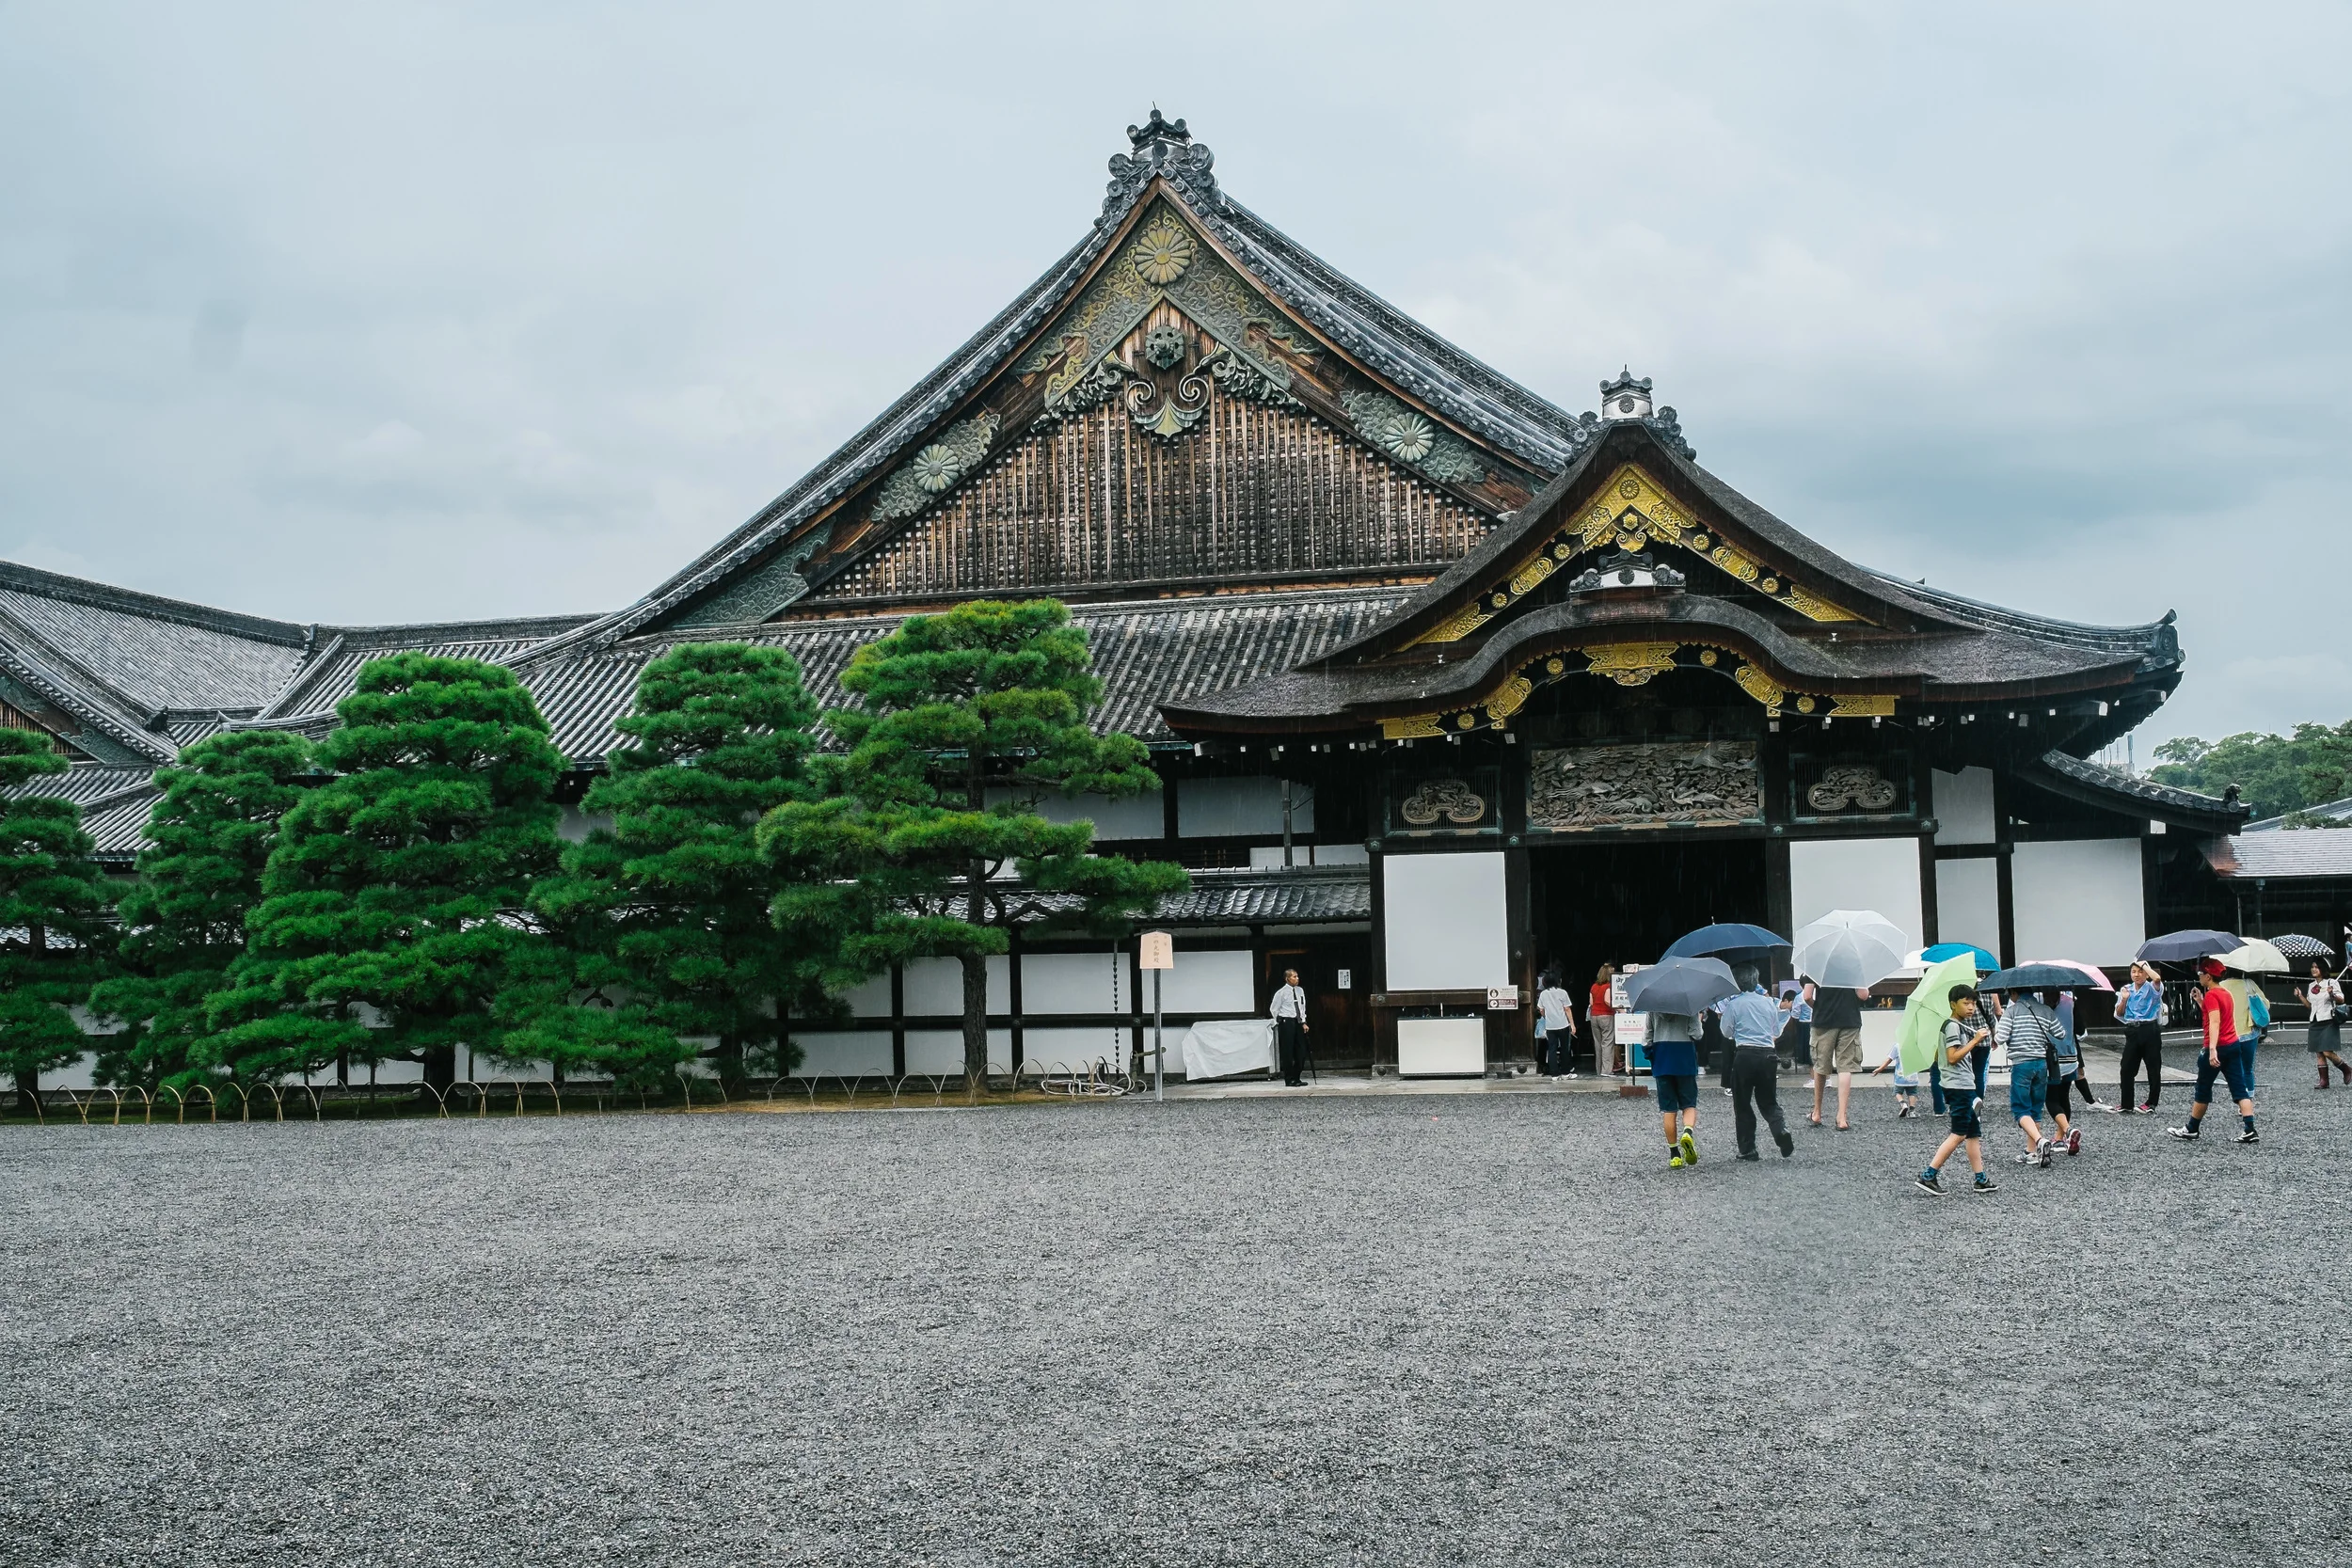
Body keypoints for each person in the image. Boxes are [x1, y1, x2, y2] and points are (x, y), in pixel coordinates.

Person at [1915, 985, 1997, 1195]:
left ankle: (1980, 1179)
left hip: (1964, 1085)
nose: (1971, 1008)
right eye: (1966, 1003)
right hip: (1958, 1086)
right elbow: (1952, 1057)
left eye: (1973, 1003)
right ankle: (1928, 1175)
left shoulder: (1957, 1025)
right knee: (1959, 1133)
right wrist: (1975, 1040)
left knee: (1973, 1133)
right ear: (1953, 1004)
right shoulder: (1952, 1026)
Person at [2170, 960, 2258, 1144]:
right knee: (2240, 1088)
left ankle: (2192, 1128)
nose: (2199, 976)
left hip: (2217, 1046)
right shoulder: (2225, 993)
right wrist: (2200, 1001)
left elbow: (2215, 1022)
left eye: (2200, 973)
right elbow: (2220, 1016)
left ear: (2208, 976)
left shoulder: (2212, 995)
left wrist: (2211, 1050)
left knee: (2203, 1088)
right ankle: (2250, 1129)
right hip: (2233, 1044)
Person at [1714, 964, 1795, 1161]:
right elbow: (1776, 1031)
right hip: (1768, 1056)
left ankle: (1748, 1149)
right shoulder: (1768, 1003)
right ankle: (1780, 1129)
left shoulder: (1734, 1005)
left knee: (1742, 1103)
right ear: (1756, 981)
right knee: (1768, 1100)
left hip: (1744, 1055)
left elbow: (1726, 1032)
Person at [1994, 988, 2060, 1167]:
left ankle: (2039, 1141)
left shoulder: (2012, 1011)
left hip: (2022, 1064)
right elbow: (2060, 1033)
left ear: (2014, 993)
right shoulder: (2045, 1010)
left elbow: (2001, 1037)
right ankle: (2031, 1152)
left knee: (2021, 1108)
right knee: (2036, 1108)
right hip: (2041, 1064)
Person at [1808, 982, 1870, 1132]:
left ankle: (1817, 1113)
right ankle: (1842, 1117)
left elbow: (1807, 996)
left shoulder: (1816, 968)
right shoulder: (1854, 968)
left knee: (1821, 1065)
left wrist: (1820, 1007)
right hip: (1849, 1020)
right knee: (1845, 1067)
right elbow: (1863, 995)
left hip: (1823, 1021)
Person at [1650, 1010, 1701, 1167]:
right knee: (1689, 1104)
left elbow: (1646, 1037)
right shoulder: (1690, 1007)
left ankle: (1675, 1155)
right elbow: (1697, 1034)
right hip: (1685, 1058)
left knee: (1669, 1109)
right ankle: (1687, 1132)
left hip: (1662, 1059)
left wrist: (1651, 1055)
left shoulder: (1653, 1008)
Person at [2113, 962, 2166, 1113]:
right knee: (2126, 1068)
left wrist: (2146, 966)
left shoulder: (2152, 987)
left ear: (2147, 974)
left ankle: (2151, 1103)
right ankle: (2126, 1104)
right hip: (2132, 1029)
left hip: (2150, 1028)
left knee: (2153, 1067)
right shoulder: (2126, 989)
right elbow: (2119, 1013)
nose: (2136, 974)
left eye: (2140, 971)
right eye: (2134, 971)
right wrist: (2124, 999)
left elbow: (2157, 979)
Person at [2042, 990, 2085, 1155]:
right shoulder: (2070, 1001)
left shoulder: (2038, 1004)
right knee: (2064, 1096)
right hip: (2070, 1055)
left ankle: (2067, 1131)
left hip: (2050, 1058)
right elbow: (2080, 1029)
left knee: (2051, 1099)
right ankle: (2059, 1137)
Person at [2297, 960, 2350, 1087]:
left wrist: (2332, 993)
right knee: (2319, 1052)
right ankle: (2324, 1081)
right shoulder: (2311, 985)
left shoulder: (2331, 982)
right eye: (2312, 967)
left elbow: (2341, 999)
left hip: (2328, 1019)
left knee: (2327, 1051)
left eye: (2317, 967)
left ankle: (2346, 1069)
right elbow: (2310, 1005)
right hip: (2315, 1020)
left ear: (2323, 969)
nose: (2314, 969)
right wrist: (2300, 996)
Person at [1270, 968, 1311, 1087]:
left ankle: (1297, 1077)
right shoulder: (1281, 993)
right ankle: (1289, 1079)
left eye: (1297, 976)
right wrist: (1279, 1021)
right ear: (1287, 979)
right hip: (1287, 1021)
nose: (1297, 979)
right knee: (1287, 1051)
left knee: (1301, 1051)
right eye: (1294, 977)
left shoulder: (1300, 990)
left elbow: (1302, 1007)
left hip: (1298, 1021)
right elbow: (1274, 1009)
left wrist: (1303, 1022)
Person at [1536, 973, 1578, 1080]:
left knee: (1552, 1049)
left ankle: (1554, 1075)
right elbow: (1567, 1009)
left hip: (1550, 1026)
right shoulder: (1562, 992)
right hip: (1563, 1024)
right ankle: (1565, 1073)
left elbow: (1541, 1009)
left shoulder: (1543, 994)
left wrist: (1546, 1017)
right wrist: (1572, 1025)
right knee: (1564, 1049)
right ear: (1557, 981)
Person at [1589, 963, 1619, 1076]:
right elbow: (1607, 1000)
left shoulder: (1594, 986)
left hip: (1594, 1016)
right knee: (1607, 1042)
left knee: (1598, 1043)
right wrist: (1618, 1008)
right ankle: (1606, 1071)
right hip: (1606, 1015)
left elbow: (1591, 1003)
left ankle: (1599, 1070)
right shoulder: (1608, 986)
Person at [1780, 980, 1815, 1071]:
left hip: (1804, 1025)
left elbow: (1795, 1013)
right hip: (1817, 1023)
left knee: (1808, 1051)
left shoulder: (1800, 996)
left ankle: (1811, 1071)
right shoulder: (1818, 994)